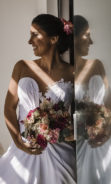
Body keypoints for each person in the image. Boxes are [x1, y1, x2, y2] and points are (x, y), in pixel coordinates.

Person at [0, 14, 76, 184]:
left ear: (54, 39)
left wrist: (71, 132)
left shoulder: (73, 73)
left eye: (35, 34)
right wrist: (19, 143)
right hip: (25, 149)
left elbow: (83, 114)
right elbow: (9, 108)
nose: (30, 41)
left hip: (60, 154)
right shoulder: (22, 67)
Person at [74, 15, 111, 184]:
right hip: (77, 145)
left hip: (102, 141)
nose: (91, 42)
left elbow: (110, 103)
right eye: (86, 35)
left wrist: (106, 132)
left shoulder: (97, 64)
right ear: (73, 38)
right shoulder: (61, 72)